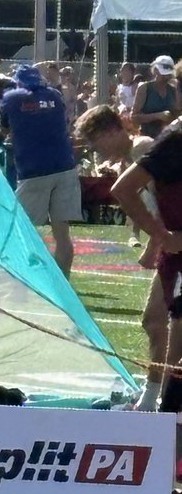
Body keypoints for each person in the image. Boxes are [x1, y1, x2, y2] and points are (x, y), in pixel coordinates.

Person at [75, 104, 164, 410]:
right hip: (172, 246)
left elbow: (169, 202)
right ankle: (156, 394)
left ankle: (153, 400)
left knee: (155, 321)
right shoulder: (133, 155)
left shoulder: (143, 150)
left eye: (95, 142)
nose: (95, 151)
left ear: (113, 131)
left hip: (173, 246)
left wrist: (155, 245)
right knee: (159, 322)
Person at [112, 124, 182, 417]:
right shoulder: (175, 142)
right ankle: (165, 417)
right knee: (175, 347)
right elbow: (124, 188)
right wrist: (162, 235)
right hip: (179, 262)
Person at [0, 64, 81, 277]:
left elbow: (4, 128)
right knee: (62, 234)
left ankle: (28, 277)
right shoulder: (54, 94)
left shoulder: (12, 97)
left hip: (33, 170)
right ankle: (64, 284)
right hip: (64, 166)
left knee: (22, 227)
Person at [131, 56, 181, 139]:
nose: (165, 77)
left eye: (168, 75)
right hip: (148, 137)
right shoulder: (144, 88)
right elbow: (134, 117)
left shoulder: (173, 90)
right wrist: (157, 116)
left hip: (168, 138)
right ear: (155, 71)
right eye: (163, 74)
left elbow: (177, 113)